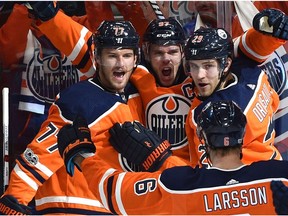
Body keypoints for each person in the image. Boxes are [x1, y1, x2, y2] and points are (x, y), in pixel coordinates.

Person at [0, 20, 153, 214]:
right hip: (70, 207)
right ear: (95, 57)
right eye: (112, 56)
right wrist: (15, 198)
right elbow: (41, 153)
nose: (120, 63)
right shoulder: (81, 100)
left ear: (136, 58)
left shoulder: (135, 97)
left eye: (126, 55)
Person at [55, 100, 288, 215]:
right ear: (243, 134)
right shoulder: (279, 177)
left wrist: (81, 155)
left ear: (201, 136)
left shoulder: (175, 185)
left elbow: (111, 190)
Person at [184, 12, 288, 167]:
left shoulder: (211, 116)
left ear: (225, 64)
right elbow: (248, 46)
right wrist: (269, 33)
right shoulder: (252, 72)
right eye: (194, 66)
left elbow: (211, 176)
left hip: (249, 185)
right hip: (275, 167)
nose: (199, 75)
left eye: (208, 66)